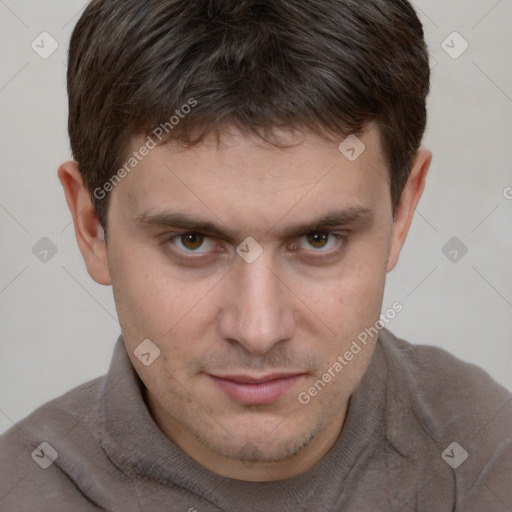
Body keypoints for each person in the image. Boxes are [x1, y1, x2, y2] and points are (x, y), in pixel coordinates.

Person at [1, 0, 510, 510]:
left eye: (318, 239)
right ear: (93, 228)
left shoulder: (485, 453)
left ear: (401, 211)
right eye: (192, 241)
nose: (258, 330)